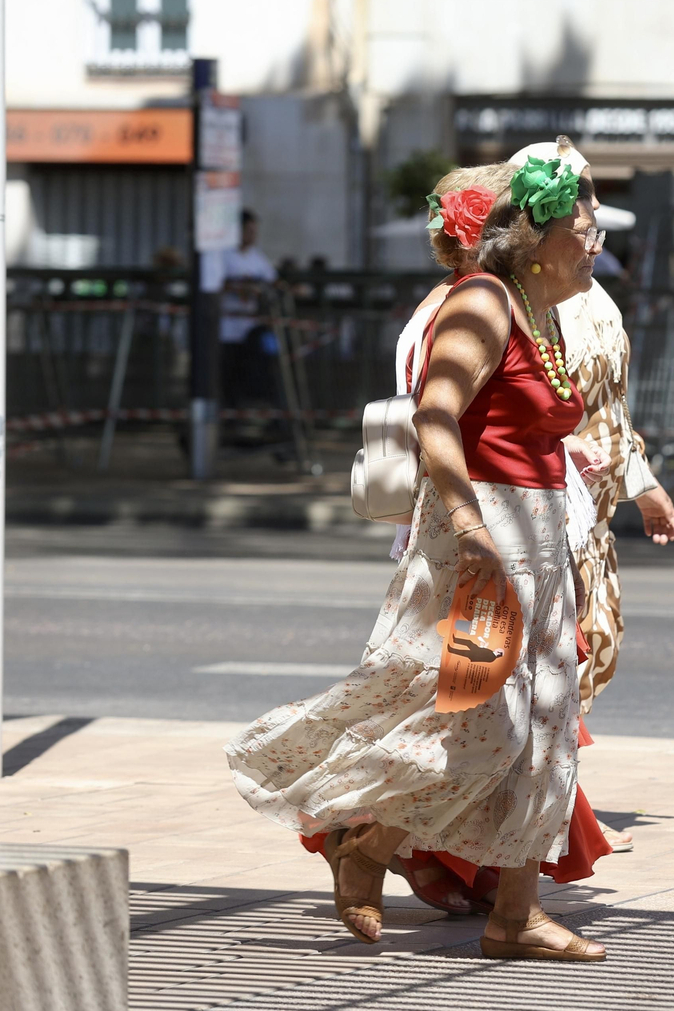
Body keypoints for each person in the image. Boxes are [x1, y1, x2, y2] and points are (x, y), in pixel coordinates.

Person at [227, 154, 609, 961]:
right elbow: (435, 419)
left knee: (548, 729)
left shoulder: (543, 314)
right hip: (490, 535)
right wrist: (472, 531)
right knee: (481, 715)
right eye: (586, 226)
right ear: (536, 237)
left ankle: (515, 914)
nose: (596, 240)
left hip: (539, 537)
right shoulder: (483, 300)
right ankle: (364, 850)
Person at [509, 137, 674, 854]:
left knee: (580, 656)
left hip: (585, 507)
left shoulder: (581, 290)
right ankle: (539, 820)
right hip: (533, 513)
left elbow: (608, 406)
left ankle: (539, 815)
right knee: (533, 674)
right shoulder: (518, 300)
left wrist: (638, 481)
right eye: (579, 199)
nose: (592, 212)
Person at [219, 210, 280, 410]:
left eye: (254, 231)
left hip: (249, 329)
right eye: (248, 230)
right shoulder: (223, 255)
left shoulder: (257, 257)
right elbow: (215, 283)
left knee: (249, 374)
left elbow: (272, 282)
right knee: (227, 378)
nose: (252, 235)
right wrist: (239, 287)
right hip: (226, 329)